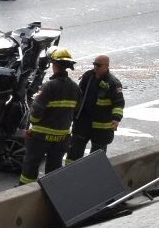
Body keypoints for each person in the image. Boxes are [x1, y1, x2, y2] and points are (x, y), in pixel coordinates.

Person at [19, 48, 81, 184]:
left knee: (31, 165)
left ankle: (24, 192)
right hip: (62, 136)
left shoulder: (49, 86)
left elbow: (36, 111)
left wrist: (31, 127)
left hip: (40, 136)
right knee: (54, 168)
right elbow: (76, 110)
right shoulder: (75, 88)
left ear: (55, 65)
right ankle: (52, 194)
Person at [68, 54, 125, 161]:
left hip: (101, 127)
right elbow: (79, 96)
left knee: (96, 157)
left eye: (98, 65)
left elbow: (119, 103)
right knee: (74, 153)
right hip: (83, 122)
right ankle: (71, 175)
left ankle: (92, 176)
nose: (95, 67)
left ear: (106, 66)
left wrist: (116, 119)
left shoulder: (113, 83)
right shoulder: (88, 77)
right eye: (94, 64)